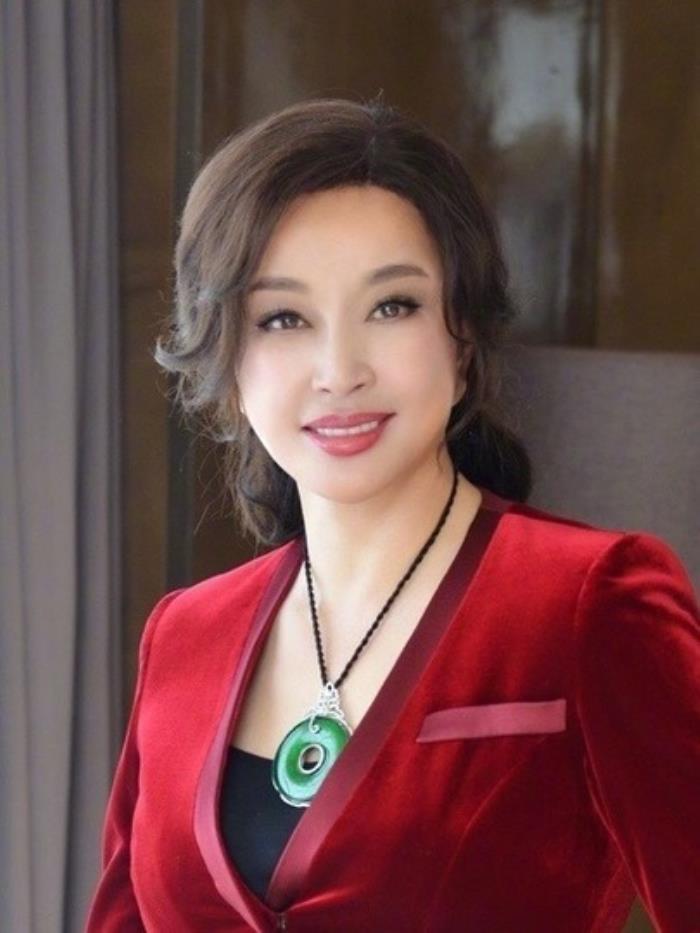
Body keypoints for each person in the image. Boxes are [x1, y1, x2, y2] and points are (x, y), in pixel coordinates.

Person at [85, 97, 700, 933]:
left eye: (391, 306)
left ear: (463, 337)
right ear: (227, 364)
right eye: (284, 318)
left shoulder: (591, 599)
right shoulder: (183, 636)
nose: (340, 370)